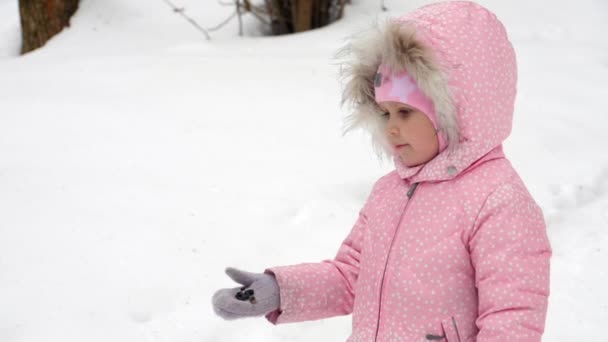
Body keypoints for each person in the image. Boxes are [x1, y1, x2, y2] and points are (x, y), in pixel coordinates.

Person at [212, 1, 552, 341]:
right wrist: (281, 291)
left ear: (458, 110)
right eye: (385, 113)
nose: (390, 128)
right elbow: (349, 276)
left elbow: (512, 319)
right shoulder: (390, 191)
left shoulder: (498, 201)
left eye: (405, 112)